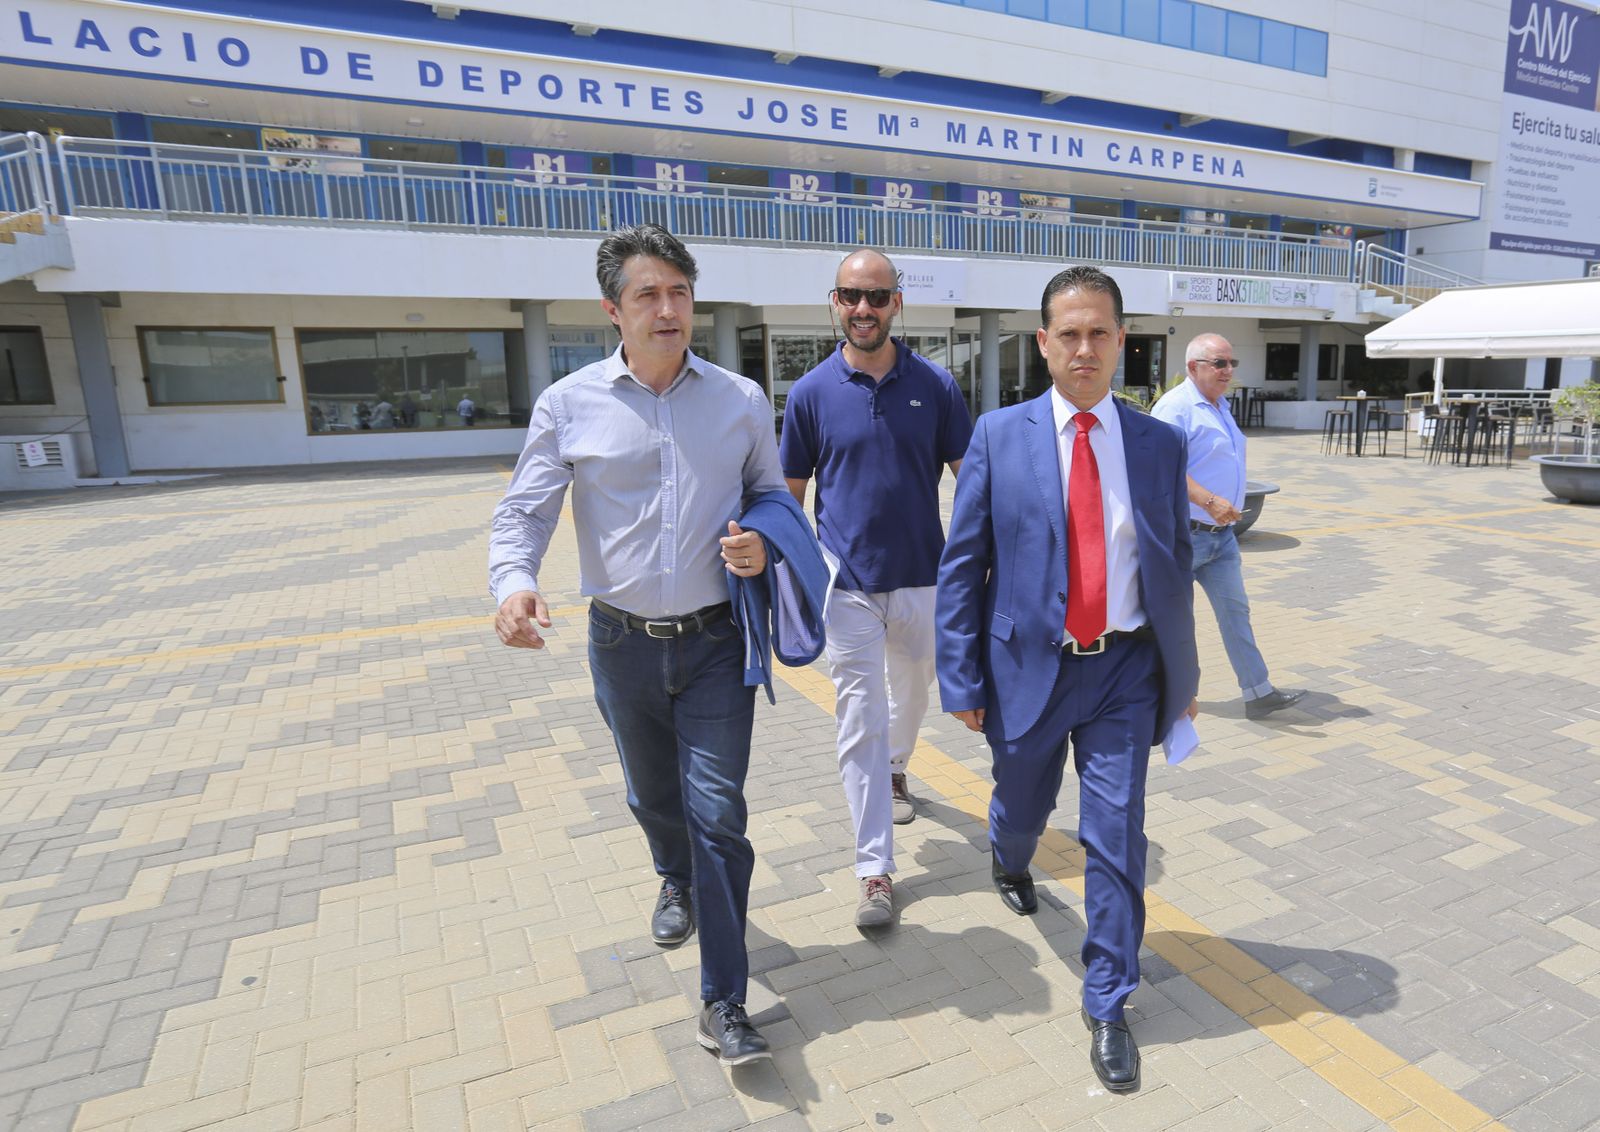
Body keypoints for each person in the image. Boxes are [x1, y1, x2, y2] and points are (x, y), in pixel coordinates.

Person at [489, 224, 784, 1067]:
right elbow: (525, 512)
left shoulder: (740, 400)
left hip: (720, 642)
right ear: (612, 310)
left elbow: (770, 495)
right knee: (653, 797)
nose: (667, 309)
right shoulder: (569, 403)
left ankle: (723, 998)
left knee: (719, 814)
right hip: (619, 642)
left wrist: (761, 543)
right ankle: (673, 872)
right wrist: (512, 583)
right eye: (648, 295)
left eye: (680, 293)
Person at [936, 265, 1199, 1093]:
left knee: (1114, 836)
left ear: (1123, 341)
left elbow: (1172, 564)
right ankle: (1009, 861)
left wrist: (1183, 678)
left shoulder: (1158, 444)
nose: (1084, 349)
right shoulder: (997, 435)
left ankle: (1110, 1000)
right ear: (1044, 344)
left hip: (1124, 669)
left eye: (1101, 333)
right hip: (1026, 669)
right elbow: (962, 565)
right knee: (1023, 810)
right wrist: (961, 678)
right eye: (1069, 334)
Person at [779, 248, 971, 929]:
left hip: (924, 576)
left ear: (897, 304)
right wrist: (796, 581)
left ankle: (898, 766)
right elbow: (788, 501)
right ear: (835, 303)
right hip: (848, 588)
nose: (863, 309)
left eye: (877, 297)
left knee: (914, 693)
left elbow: (968, 482)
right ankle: (874, 869)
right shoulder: (809, 395)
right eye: (850, 296)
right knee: (859, 718)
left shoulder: (938, 386)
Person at [1150, 334, 1305, 721]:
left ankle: (1258, 693)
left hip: (1221, 540)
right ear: (1193, 367)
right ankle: (1176, 698)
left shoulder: (1219, 405)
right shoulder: (1176, 408)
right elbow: (1160, 467)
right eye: (1219, 363)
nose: (1228, 371)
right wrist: (1210, 500)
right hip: (1184, 536)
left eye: (1231, 363)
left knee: (1236, 614)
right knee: (1175, 623)